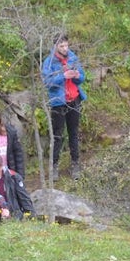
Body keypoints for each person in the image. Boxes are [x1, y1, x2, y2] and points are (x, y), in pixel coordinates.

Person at [41, 34, 86, 180]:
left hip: (74, 100)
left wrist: (76, 75)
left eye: (66, 45)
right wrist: (63, 76)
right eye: (62, 46)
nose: (65, 49)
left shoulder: (73, 57)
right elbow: (47, 83)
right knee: (57, 136)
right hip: (58, 103)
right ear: (55, 47)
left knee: (73, 133)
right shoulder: (49, 62)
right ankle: (54, 167)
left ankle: (75, 164)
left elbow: (82, 78)